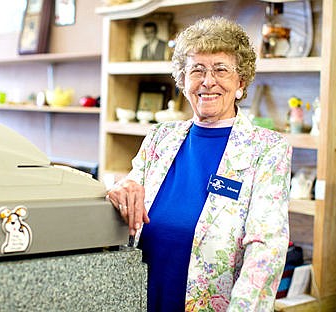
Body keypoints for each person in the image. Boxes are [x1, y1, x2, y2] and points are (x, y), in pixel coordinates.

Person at [107, 16, 292, 311]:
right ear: (184, 81)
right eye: (197, 70)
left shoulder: (267, 149)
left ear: (240, 82)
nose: (208, 81)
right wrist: (120, 190)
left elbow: (266, 247)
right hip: (140, 298)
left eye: (221, 69)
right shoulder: (159, 138)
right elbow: (131, 190)